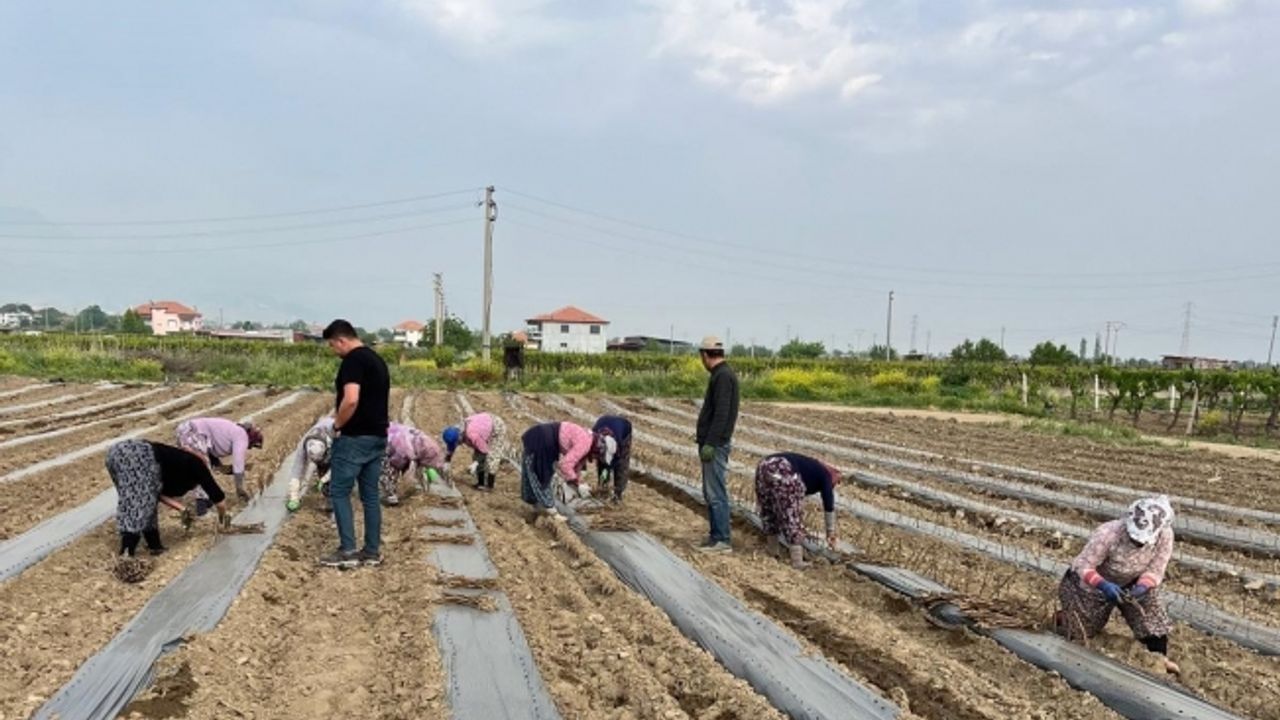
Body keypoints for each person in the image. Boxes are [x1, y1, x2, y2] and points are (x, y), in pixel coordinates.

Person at [1058, 496, 1179, 675]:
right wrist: (1103, 585)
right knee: (1084, 629)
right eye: (1133, 538)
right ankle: (1062, 619)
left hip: (1134, 581)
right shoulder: (1108, 533)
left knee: (1150, 618)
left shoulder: (1165, 535)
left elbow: (1156, 569)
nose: (1137, 543)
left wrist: (1143, 586)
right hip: (1092, 581)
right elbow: (1084, 566)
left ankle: (1159, 659)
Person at [318, 319, 390, 569]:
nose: (333, 351)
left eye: (332, 345)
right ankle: (371, 551)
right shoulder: (376, 360)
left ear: (341, 340)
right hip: (378, 436)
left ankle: (347, 550)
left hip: (354, 438)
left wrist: (337, 425)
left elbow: (351, 400)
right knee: (370, 496)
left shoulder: (353, 361)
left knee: (339, 492)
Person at [106, 438, 230, 557]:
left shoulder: (172, 466)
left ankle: (154, 545)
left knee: (145, 500)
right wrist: (223, 521)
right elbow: (219, 499)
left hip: (115, 453)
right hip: (136, 455)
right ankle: (127, 553)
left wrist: (182, 509)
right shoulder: (198, 466)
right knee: (137, 505)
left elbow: (155, 494)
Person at [755, 453, 840, 568]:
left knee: (769, 509)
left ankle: (772, 551)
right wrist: (830, 532)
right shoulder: (827, 475)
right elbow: (828, 503)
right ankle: (797, 561)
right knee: (791, 515)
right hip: (783, 469)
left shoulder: (811, 466)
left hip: (763, 465)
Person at [694, 335, 739, 554]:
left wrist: (710, 443)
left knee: (716, 492)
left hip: (716, 444)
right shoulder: (721, 375)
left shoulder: (722, 376)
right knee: (709, 491)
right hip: (712, 442)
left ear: (705, 355)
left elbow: (721, 414)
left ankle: (722, 539)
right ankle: (714, 536)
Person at [175, 417, 264, 503]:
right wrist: (239, 487)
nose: (249, 448)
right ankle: (202, 505)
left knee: (193, 467)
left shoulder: (232, 429)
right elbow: (238, 462)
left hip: (184, 430)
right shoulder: (242, 436)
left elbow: (211, 447)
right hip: (194, 432)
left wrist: (222, 467)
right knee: (202, 467)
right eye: (252, 446)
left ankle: (202, 499)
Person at [519, 420, 594, 519]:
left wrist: (577, 482)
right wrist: (577, 483)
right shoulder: (585, 444)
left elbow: (575, 464)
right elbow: (565, 465)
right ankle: (552, 512)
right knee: (541, 474)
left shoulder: (588, 437)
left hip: (540, 436)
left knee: (531, 470)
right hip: (543, 441)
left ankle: (534, 506)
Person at [443, 412, 516, 492]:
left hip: (496, 427)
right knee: (476, 456)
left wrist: (475, 463)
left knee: (492, 457)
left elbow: (484, 451)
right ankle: (481, 483)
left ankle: (489, 485)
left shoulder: (472, 435)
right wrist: (447, 462)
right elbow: (451, 447)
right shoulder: (455, 432)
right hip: (482, 426)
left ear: (460, 436)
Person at [380, 422, 447, 506]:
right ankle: (390, 495)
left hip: (394, 438)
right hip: (389, 441)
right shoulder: (409, 448)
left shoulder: (421, 443)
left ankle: (390, 495)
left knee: (388, 470)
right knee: (388, 470)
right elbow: (396, 464)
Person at [286, 416, 337, 512]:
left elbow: (338, 465)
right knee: (323, 474)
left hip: (344, 440)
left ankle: (335, 498)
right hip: (326, 448)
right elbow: (297, 469)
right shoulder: (303, 445)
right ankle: (328, 492)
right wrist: (294, 496)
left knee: (339, 474)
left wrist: (324, 479)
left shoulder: (335, 437)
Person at [592, 414, 632, 503]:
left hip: (623, 429)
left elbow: (616, 460)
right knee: (603, 465)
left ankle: (618, 494)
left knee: (621, 464)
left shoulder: (618, 443)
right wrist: (604, 473)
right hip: (605, 422)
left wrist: (608, 467)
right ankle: (603, 490)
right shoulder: (595, 437)